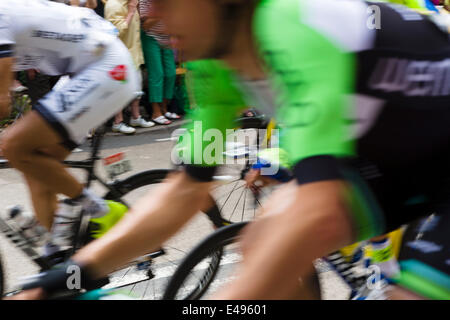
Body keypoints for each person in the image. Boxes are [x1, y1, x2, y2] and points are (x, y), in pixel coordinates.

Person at [11, 0, 450, 300]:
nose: (153, 17)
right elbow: (184, 191)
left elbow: (321, 212)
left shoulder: (292, 23)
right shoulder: (212, 66)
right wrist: (60, 279)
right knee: (264, 240)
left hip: (423, 154)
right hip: (403, 159)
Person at [0, 0, 141, 253]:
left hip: (105, 66)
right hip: (84, 68)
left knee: (14, 146)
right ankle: (63, 262)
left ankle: (102, 210)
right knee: (37, 168)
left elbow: (2, 104)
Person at [104, 0, 155, 134]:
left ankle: (135, 117)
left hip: (134, 54)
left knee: (136, 88)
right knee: (119, 89)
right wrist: (131, 12)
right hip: (119, 56)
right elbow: (115, 32)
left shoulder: (131, 3)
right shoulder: (113, 5)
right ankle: (117, 122)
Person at [139, 0, 180, 125]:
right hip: (150, 37)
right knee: (157, 74)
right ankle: (156, 113)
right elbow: (145, 25)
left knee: (170, 74)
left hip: (166, 36)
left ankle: (164, 108)